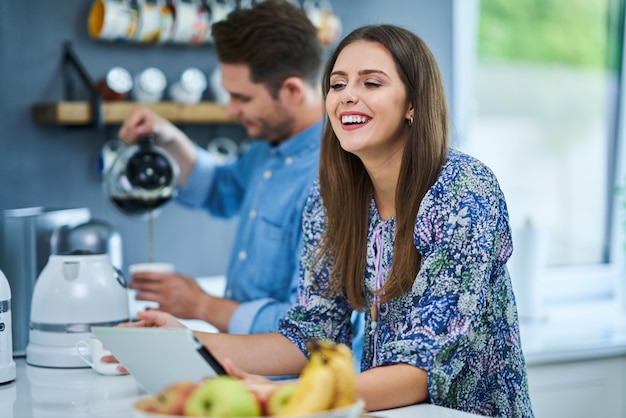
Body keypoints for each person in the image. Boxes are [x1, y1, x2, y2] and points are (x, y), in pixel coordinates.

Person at [120, 23, 535, 417]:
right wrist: (184, 341)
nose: (347, 96)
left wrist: (286, 395)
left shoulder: (462, 189)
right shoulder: (333, 195)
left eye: (371, 83)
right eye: (337, 84)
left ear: (412, 103)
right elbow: (309, 336)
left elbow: (421, 371)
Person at [117, 0, 353, 339]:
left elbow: (315, 328)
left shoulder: (333, 178)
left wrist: (201, 305)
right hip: (242, 368)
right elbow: (221, 190)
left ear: (291, 91)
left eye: (242, 98)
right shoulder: (265, 147)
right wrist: (170, 139)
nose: (230, 110)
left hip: (296, 384)